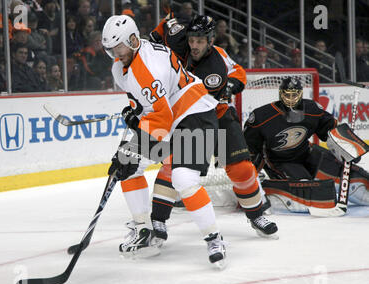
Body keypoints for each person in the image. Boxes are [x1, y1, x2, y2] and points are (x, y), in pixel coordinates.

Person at [102, 14, 227, 268]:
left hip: (195, 111)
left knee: (183, 179)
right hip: (170, 115)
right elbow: (146, 103)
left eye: (119, 47)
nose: (116, 53)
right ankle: (144, 230)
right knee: (126, 167)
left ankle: (214, 238)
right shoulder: (126, 62)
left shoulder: (147, 69)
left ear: (134, 40)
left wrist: (134, 148)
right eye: (111, 49)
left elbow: (161, 117)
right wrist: (135, 111)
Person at [149, 14, 278, 245]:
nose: (194, 45)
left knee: (243, 170)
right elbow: (165, 26)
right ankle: (157, 221)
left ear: (210, 40)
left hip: (219, 115)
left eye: (200, 41)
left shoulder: (219, 57)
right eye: (192, 40)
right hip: (191, 119)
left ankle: (257, 215)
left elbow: (238, 72)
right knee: (173, 167)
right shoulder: (179, 48)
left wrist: (231, 84)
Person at [243, 77, 369, 214]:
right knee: (308, 188)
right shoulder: (262, 117)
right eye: (287, 94)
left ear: (301, 94)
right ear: (281, 94)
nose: (291, 98)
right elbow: (250, 148)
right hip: (280, 162)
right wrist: (250, 177)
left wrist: (348, 145)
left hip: (307, 154)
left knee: (357, 177)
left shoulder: (311, 109)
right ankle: (269, 191)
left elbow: (330, 130)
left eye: (295, 94)